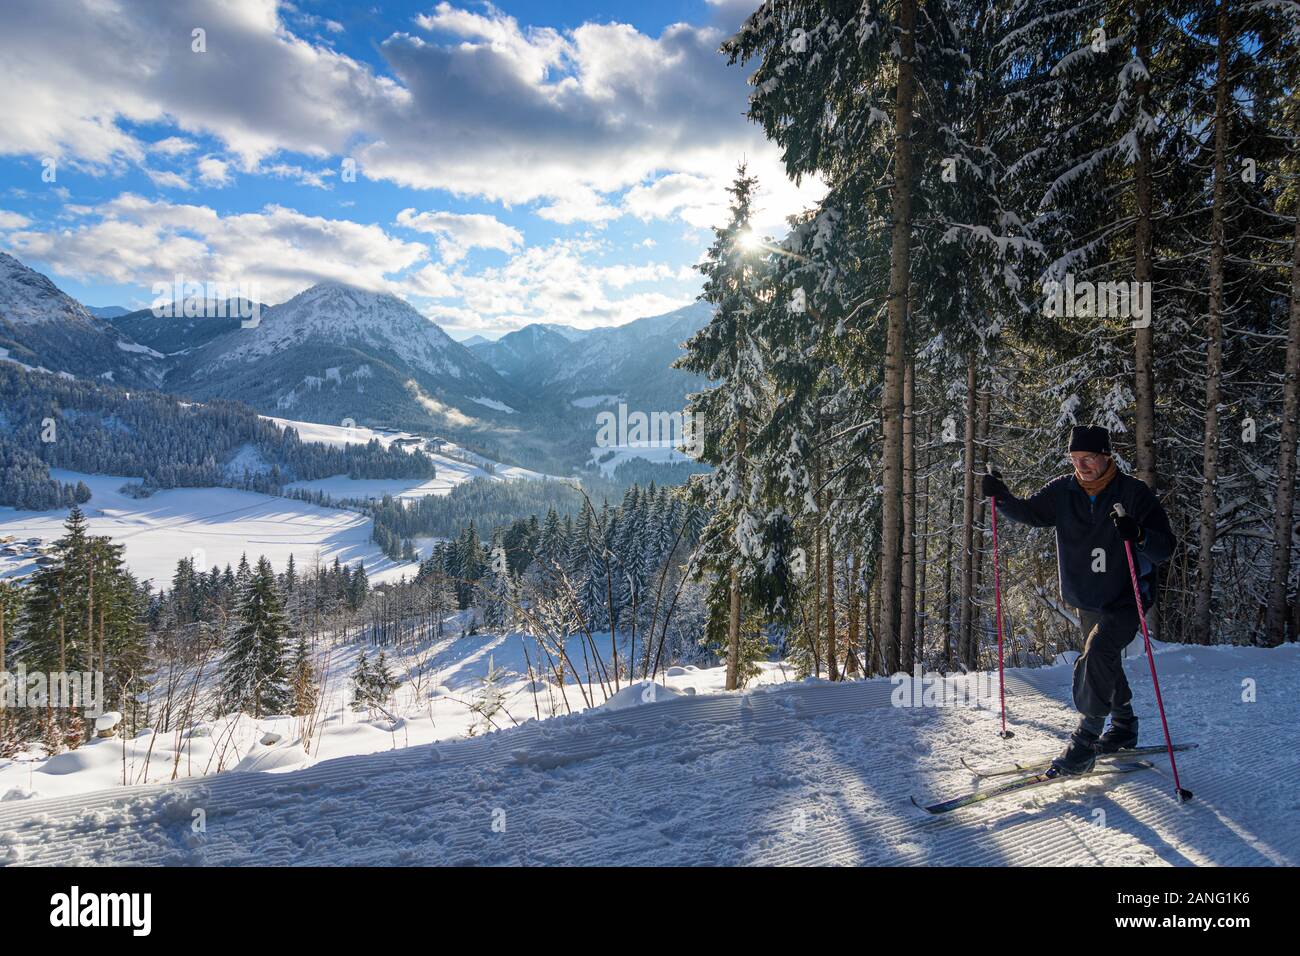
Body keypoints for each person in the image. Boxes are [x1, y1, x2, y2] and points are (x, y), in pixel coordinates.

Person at [981, 425, 1175, 775]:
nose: (1080, 465)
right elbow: (1031, 514)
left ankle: (1085, 741)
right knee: (1104, 658)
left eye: (1087, 458)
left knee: (1098, 653)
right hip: (1086, 595)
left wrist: (1140, 533)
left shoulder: (1133, 493)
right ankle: (1124, 726)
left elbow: (1165, 548)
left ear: (1106, 456)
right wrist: (1002, 497)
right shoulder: (1063, 490)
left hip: (1126, 596)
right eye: (1074, 458)